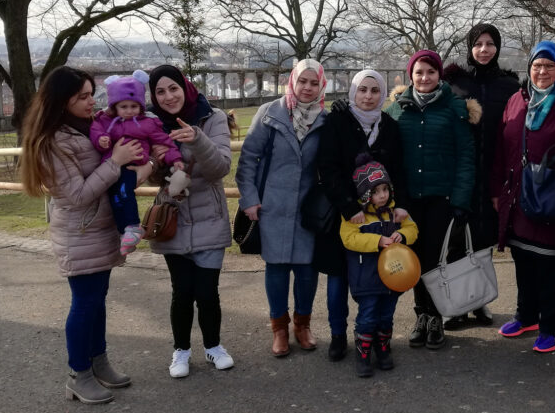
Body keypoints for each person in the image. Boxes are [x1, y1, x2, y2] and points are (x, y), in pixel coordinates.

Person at [20, 66, 145, 405]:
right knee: (85, 302)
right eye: (83, 96)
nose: (93, 102)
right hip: (80, 232)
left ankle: (98, 362)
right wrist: (117, 161)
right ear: (62, 102)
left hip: (98, 230)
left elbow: (108, 181)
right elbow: (77, 194)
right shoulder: (53, 142)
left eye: (92, 94)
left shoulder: (87, 129)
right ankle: (79, 374)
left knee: (97, 300)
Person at [490, 41, 555, 354]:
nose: (542, 71)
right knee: (523, 258)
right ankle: (527, 316)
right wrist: (497, 189)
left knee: (551, 263)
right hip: (519, 195)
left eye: (549, 65)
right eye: (537, 65)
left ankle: (553, 326)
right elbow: (502, 146)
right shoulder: (517, 99)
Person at [147, 64, 235, 379]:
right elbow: (158, 178)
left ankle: (214, 346)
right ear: (154, 97)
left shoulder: (213, 118)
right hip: (173, 218)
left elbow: (219, 168)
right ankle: (181, 350)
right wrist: (159, 161)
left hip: (209, 216)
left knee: (207, 291)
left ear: (185, 87)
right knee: (182, 290)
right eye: (160, 91)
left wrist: (197, 139)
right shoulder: (151, 124)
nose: (169, 96)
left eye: (173, 88)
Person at [385, 49, 476, 351]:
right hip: (408, 200)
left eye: (431, 72)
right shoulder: (398, 108)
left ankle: (435, 316)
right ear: (410, 75)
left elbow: (465, 156)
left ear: (439, 75)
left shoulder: (454, 109)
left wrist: (461, 200)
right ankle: (420, 315)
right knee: (413, 259)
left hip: (442, 197)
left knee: (436, 260)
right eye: (419, 72)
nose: (425, 78)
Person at [236, 60, 328, 358]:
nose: (307, 88)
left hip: (307, 207)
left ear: (321, 86)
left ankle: (302, 324)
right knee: (276, 267)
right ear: (292, 81)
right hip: (272, 204)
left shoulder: (325, 119)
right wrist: (249, 198)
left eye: (314, 83)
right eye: (303, 81)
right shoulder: (270, 113)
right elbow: (248, 159)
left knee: (306, 269)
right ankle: (279, 328)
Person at [315, 69, 407, 362]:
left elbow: (399, 170)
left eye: (375, 90)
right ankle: (338, 335)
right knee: (339, 277)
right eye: (362, 90)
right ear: (353, 91)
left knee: (378, 278)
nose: (368, 96)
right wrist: (349, 206)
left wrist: (399, 204)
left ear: (382, 94)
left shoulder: (390, 126)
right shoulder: (337, 121)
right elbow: (327, 168)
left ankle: (377, 334)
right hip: (344, 215)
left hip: (380, 216)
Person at [442, 23, 520, 329]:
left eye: (489, 44)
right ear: (470, 47)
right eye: (478, 44)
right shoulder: (455, 83)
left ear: (497, 47)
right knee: (457, 239)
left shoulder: (509, 85)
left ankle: (480, 302)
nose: (484, 49)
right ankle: (456, 305)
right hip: (461, 171)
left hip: (494, 172)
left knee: (484, 240)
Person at [340, 157, 419, 377]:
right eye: (376, 192)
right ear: (366, 195)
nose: (383, 195)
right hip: (366, 277)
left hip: (393, 276)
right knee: (367, 315)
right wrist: (376, 241)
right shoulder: (356, 216)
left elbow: (413, 230)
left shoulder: (396, 213)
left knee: (386, 314)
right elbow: (349, 239)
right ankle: (363, 350)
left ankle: (382, 346)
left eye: (385, 189)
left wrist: (402, 235)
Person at [90, 70, 185, 255]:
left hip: (133, 166)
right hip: (112, 164)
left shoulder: (148, 123)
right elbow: (96, 130)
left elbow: (164, 141)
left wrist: (176, 158)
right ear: (115, 106)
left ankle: (133, 226)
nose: (129, 110)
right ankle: (123, 230)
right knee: (115, 197)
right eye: (123, 106)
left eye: (133, 106)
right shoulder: (106, 121)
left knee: (125, 193)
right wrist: (100, 139)